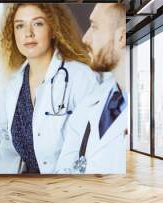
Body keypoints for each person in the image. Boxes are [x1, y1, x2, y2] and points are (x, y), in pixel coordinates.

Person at [0, 3, 99, 174]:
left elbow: (95, 145)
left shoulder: (81, 77)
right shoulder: (13, 82)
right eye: (20, 26)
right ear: (12, 34)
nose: (28, 33)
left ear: (53, 29)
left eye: (37, 23)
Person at [55, 3, 128, 174]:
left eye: (94, 27)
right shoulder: (91, 100)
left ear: (122, 37)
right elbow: (63, 169)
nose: (85, 38)